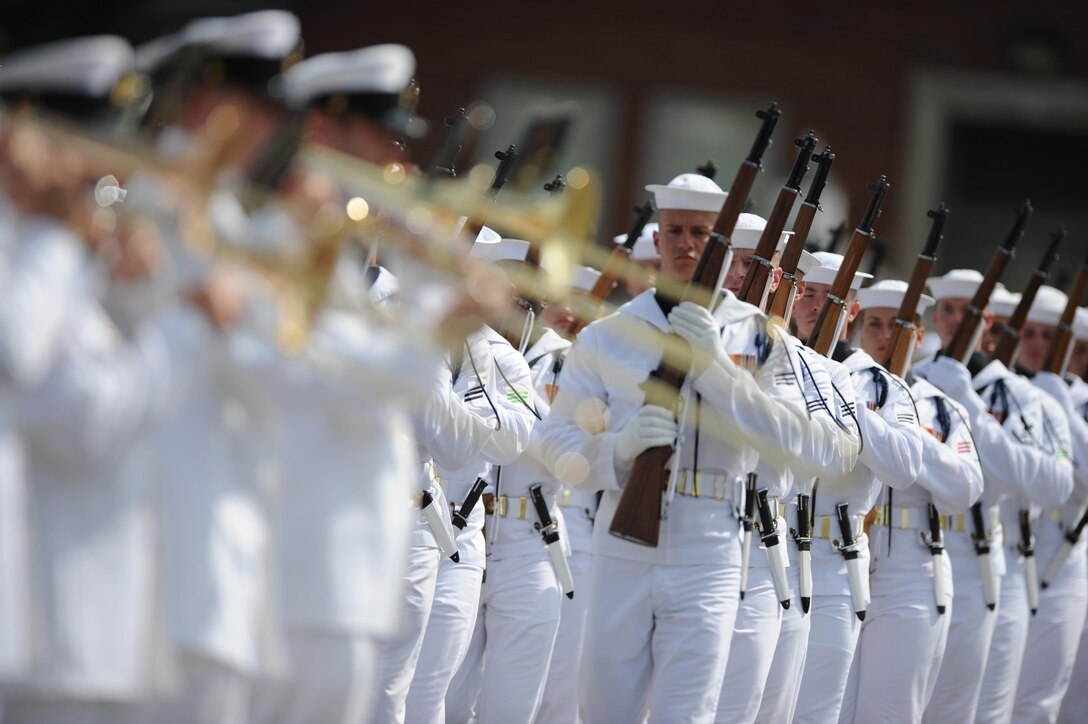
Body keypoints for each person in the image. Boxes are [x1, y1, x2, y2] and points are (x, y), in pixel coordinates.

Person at [536, 173, 856, 723]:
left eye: (701, 233)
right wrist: (615, 451)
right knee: (603, 708)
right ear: (656, 242)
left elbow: (794, 442)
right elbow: (554, 439)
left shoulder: (757, 336)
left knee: (688, 712)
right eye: (676, 230)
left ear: (724, 248)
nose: (687, 244)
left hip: (709, 542)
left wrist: (715, 369)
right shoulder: (608, 335)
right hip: (623, 540)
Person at [0, 34, 244, 724]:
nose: (102, 180)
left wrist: (139, 289)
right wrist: (189, 326)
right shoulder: (31, 250)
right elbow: (82, 416)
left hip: (89, 627)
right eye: (86, 159)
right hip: (54, 624)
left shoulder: (53, 252)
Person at [715, 228, 858, 724]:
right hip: (694, 531)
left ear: (778, 279)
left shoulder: (806, 366)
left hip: (764, 549)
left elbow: (834, 452)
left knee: (756, 706)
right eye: (733, 261)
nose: (739, 275)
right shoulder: (684, 332)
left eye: (752, 265)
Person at [916, 269, 1059, 723]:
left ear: (988, 322)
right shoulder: (913, 378)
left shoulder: (1014, 393)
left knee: (976, 711)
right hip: (916, 555)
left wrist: (970, 407)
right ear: (936, 317)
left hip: (979, 558)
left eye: (967, 311)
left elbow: (1037, 481)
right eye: (947, 309)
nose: (956, 320)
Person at [790, 252, 926, 724]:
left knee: (818, 710)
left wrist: (848, 405)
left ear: (850, 309)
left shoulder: (879, 385)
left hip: (832, 562)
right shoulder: (776, 366)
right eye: (806, 294)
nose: (814, 307)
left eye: (829, 298)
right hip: (770, 552)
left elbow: (905, 466)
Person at [840, 279, 983, 724]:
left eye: (898, 326)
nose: (885, 337)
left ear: (919, 336)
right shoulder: (839, 386)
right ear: (860, 330)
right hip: (843, 560)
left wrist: (910, 444)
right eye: (875, 325)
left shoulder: (938, 408)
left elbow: (964, 489)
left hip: (909, 571)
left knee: (889, 713)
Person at [1006, 286, 1088, 723]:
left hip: (1063, 552)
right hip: (1009, 551)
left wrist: (1059, 403)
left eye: (1048, 336)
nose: (1037, 344)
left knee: (1042, 700)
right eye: (1029, 333)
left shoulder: (1078, 400)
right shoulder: (1003, 388)